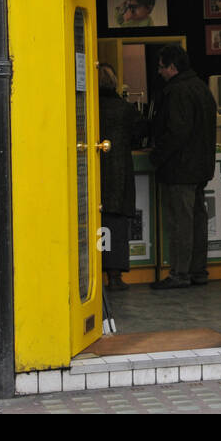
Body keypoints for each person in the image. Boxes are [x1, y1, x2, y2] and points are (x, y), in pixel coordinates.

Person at [150, 45, 217, 289]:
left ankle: (179, 274)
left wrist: (157, 156)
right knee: (198, 220)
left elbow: (176, 132)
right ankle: (198, 271)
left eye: (161, 67)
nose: (159, 73)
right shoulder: (201, 88)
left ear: (172, 67)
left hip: (180, 167)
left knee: (181, 221)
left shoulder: (177, 91)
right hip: (201, 166)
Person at [97, 63, 148, 291]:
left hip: (95, 173)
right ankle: (115, 276)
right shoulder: (125, 109)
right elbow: (142, 132)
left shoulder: (87, 106)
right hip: (119, 173)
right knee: (116, 225)